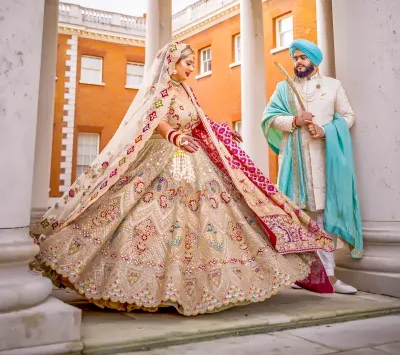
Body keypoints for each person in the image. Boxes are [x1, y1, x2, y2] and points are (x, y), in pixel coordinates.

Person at [31, 42, 334, 316]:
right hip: (164, 155)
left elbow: (199, 119)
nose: (191, 67)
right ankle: (134, 284)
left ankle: (195, 283)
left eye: (192, 62)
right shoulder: (160, 91)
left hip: (191, 155)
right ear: (172, 63)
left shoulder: (187, 90)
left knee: (203, 215)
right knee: (146, 213)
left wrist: (224, 132)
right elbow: (154, 120)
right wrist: (173, 136)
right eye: (187, 62)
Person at [262, 38, 363, 295]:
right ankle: (302, 274)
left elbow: (348, 117)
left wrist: (325, 130)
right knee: (299, 216)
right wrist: (294, 120)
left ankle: (329, 276)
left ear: (314, 61)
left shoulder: (332, 87)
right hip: (295, 163)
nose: (298, 62)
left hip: (324, 159)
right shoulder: (284, 88)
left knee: (325, 216)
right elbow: (269, 118)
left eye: (303, 58)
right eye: (295, 58)